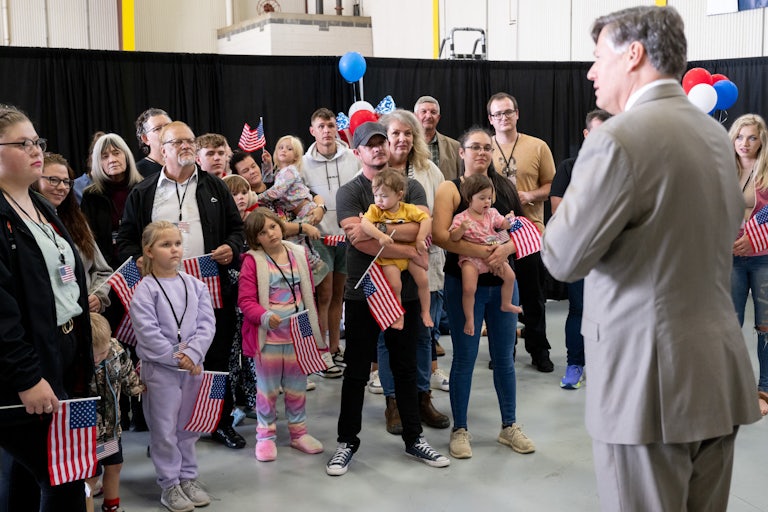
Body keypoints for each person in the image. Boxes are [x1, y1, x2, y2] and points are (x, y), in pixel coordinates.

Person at [541, 7, 761, 510]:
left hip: (647, 386)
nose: (591, 71)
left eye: (599, 57)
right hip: (716, 375)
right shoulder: (715, 137)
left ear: (633, 55)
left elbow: (562, 258)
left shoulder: (616, 140)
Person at [326, 122, 449, 476]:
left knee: (406, 366)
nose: (379, 148)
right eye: (371, 144)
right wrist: (406, 247)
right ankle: (346, 442)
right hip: (363, 290)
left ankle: (414, 438)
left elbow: (422, 229)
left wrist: (381, 233)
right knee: (357, 369)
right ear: (358, 152)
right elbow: (358, 239)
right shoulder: (349, 191)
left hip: (404, 292)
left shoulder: (410, 186)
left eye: (382, 142)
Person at [117, 121, 247, 450]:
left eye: (190, 140)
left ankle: (219, 422)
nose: (187, 146)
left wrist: (231, 247)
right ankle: (166, 433)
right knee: (165, 362)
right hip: (160, 293)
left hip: (209, 286)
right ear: (162, 151)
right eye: (178, 142)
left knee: (215, 358)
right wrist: (139, 259)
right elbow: (126, 239)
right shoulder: (143, 192)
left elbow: (237, 230)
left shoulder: (216, 187)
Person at [0, 104, 94, 511]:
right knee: (63, 475)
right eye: (22, 144)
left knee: (22, 475)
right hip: (25, 366)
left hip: (62, 350)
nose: (35, 150)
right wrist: (26, 376)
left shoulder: (41, 206)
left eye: (37, 141)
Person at [432, 126, 535, 460]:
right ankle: (460, 429)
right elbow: (440, 236)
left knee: (505, 358)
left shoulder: (503, 188)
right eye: (474, 147)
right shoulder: (450, 188)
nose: (481, 152)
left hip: (501, 282)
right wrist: (482, 253)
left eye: (487, 147)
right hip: (465, 283)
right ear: (461, 152)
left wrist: (507, 248)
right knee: (464, 358)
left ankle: (509, 425)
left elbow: (524, 228)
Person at [129, 221, 215, 512]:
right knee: (164, 429)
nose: (174, 249)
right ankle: (169, 484)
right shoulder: (145, 290)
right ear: (149, 251)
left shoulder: (196, 285)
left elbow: (206, 324)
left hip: (193, 369)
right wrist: (178, 357)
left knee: (188, 426)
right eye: (166, 245)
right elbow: (147, 332)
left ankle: (188, 476)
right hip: (160, 370)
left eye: (177, 243)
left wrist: (194, 354)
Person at [375, 109, 450, 434]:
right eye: (396, 133)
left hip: (424, 262)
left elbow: (436, 222)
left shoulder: (429, 171)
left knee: (423, 334)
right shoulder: (373, 171)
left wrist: (395, 229)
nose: (402, 139)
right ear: (385, 137)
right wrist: (407, 230)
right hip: (384, 264)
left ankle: (422, 398)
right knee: (387, 335)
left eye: (408, 133)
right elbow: (367, 226)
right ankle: (393, 401)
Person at [238, 208, 326, 461]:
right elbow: (245, 301)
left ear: (281, 225)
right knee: (267, 391)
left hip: (299, 335)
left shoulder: (297, 252)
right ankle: (265, 436)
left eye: (273, 227)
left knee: (297, 388)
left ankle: (299, 433)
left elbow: (308, 292)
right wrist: (265, 316)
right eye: (262, 232)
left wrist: (312, 331)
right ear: (255, 239)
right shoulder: (253, 261)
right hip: (269, 340)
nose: (270, 234)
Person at [488, 92, 555, 373]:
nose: (503, 118)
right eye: (497, 114)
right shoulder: (484, 148)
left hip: (530, 233)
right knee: (499, 297)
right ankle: (504, 351)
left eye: (508, 112)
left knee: (533, 296)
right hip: (495, 236)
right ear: (490, 119)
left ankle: (539, 349)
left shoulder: (538, 147)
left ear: (517, 114)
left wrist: (530, 195)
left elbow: (551, 186)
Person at [548, 109, 611, 390]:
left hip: (613, 253)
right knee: (580, 308)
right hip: (579, 251)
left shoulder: (621, 166)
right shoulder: (569, 167)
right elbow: (558, 209)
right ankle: (576, 364)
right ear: (586, 134)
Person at [300, 107, 361, 374]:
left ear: (337, 129)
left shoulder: (353, 158)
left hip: (347, 236)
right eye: (321, 127)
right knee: (322, 295)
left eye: (331, 126)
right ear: (312, 131)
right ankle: (321, 351)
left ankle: (335, 348)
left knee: (339, 294)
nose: (326, 131)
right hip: (319, 237)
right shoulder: (302, 163)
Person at [33, 153, 113, 314]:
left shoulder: (77, 222)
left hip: (85, 315)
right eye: (53, 180)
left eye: (66, 182)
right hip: (49, 316)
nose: (62, 187)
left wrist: (98, 296)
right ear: (34, 181)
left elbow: (103, 271)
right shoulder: (25, 225)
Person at [729, 113, 768, 416]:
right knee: (729, 324)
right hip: (729, 256)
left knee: (765, 325)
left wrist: (754, 238)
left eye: (752, 137)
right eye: (740, 137)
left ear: (761, 141)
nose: (745, 143)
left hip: (763, 257)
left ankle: (764, 388)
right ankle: (729, 387)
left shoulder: (766, 171)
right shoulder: (722, 169)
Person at [449, 174, 522, 336]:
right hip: (471, 259)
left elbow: (503, 225)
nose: (487, 202)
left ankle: (506, 303)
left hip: (493, 254)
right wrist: (461, 229)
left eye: (489, 198)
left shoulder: (492, 213)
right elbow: (453, 238)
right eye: (482, 198)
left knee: (510, 276)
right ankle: (470, 319)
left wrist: (510, 220)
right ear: (469, 199)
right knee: (469, 288)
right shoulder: (462, 218)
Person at [360, 168, 432, 329]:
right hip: (389, 257)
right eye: (376, 195)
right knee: (394, 285)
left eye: (384, 196)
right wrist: (380, 235)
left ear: (399, 195)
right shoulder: (375, 210)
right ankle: (398, 317)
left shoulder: (408, 209)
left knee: (423, 280)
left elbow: (426, 219)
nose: (379, 200)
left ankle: (426, 311)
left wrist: (420, 238)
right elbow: (364, 223)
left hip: (410, 255)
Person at [86, 312, 143, 512]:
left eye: (103, 353)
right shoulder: (76, 359)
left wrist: (136, 387)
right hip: (88, 434)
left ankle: (111, 506)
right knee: (90, 476)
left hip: (112, 429)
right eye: (94, 354)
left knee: (115, 465)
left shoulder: (116, 351)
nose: (98, 358)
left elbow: (127, 372)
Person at [81, 133, 144, 270]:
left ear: (126, 156)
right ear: (98, 163)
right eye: (105, 156)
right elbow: (90, 239)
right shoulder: (91, 196)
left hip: (141, 263)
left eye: (116, 153)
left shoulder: (142, 189)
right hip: (107, 268)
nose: (112, 160)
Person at [413, 95, 461, 180]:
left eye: (433, 112)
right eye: (424, 112)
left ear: (438, 118)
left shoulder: (455, 147)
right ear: (415, 116)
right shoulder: (408, 145)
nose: (428, 116)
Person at [134, 108, 171, 178]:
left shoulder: (184, 163)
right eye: (158, 129)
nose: (166, 131)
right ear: (145, 138)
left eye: (168, 126)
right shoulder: (137, 172)